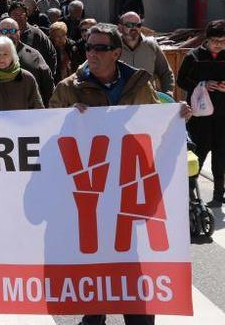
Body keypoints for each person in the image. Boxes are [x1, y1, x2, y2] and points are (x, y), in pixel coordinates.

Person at [50, 24, 191, 325]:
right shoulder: (67, 88)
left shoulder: (139, 83)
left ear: (117, 52)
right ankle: (95, 314)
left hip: (130, 189)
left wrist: (175, 119)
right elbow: (48, 138)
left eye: (100, 48)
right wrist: (66, 120)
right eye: (88, 47)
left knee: (134, 267)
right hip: (90, 194)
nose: (92, 53)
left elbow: (151, 125)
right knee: (95, 271)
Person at [177, 19, 225, 205]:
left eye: (222, 41)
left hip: (222, 115)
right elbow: (181, 81)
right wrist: (202, 84)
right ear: (207, 39)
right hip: (200, 116)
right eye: (215, 41)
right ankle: (189, 193)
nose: (218, 45)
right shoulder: (193, 56)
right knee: (198, 153)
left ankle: (218, 195)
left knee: (220, 155)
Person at [0, 19, 55, 105]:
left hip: (26, 115)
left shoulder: (34, 56)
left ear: (19, 33)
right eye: (4, 31)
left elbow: (48, 87)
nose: (9, 34)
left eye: (13, 31)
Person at [0, 36, 43, 111]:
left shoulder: (26, 78)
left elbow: (38, 110)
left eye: (6, 54)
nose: (1, 59)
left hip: (19, 122)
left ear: (13, 56)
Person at [118, 12, 174, 93]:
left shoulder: (151, 46)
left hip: (148, 101)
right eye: (129, 25)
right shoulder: (114, 47)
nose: (134, 28)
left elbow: (166, 73)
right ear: (120, 28)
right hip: (122, 101)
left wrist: (167, 95)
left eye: (138, 25)